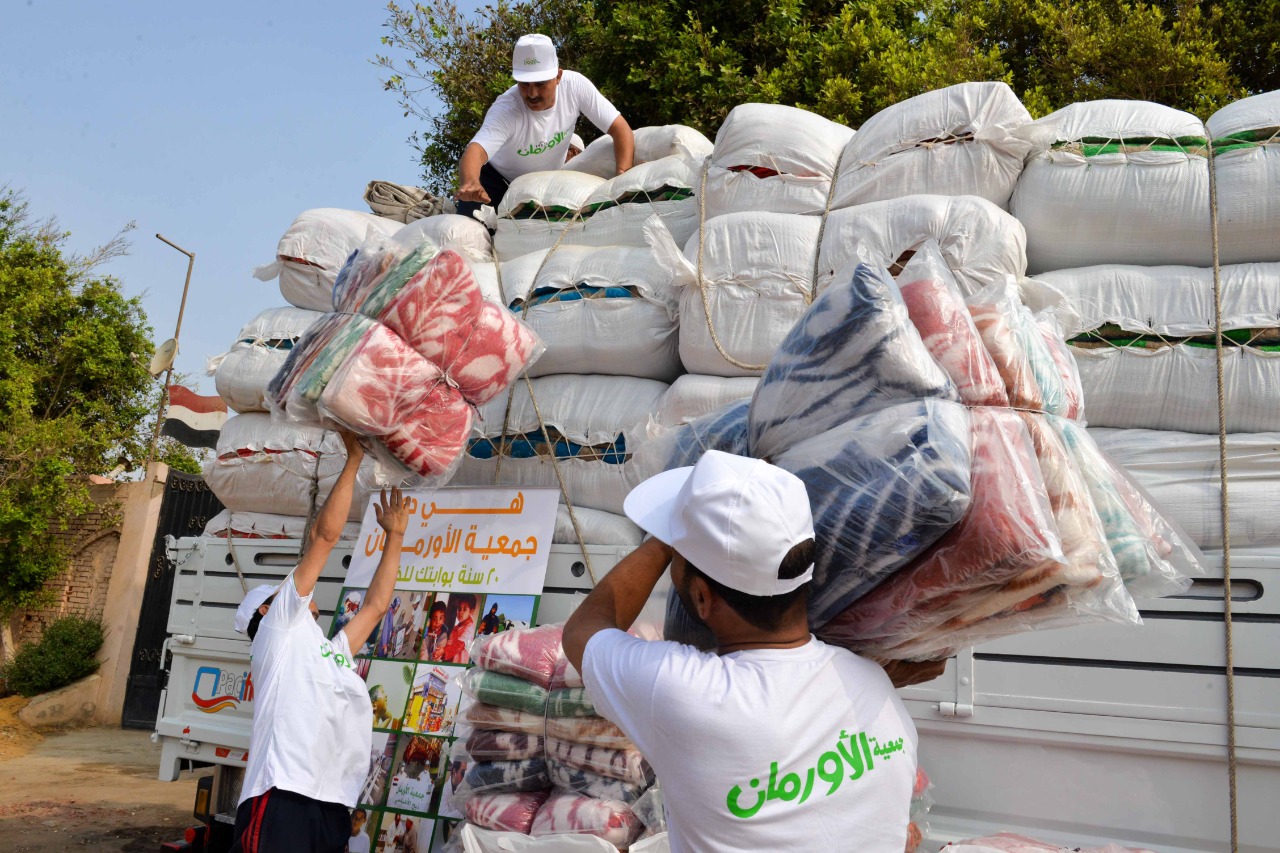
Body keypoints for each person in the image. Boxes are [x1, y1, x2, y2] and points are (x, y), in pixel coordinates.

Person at [563, 450, 924, 853]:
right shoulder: (873, 684)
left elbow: (584, 630)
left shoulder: (683, 693)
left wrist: (670, 537)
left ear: (702, 597)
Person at [229, 433, 410, 853]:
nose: (298, 593)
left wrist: (395, 537)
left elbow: (377, 607)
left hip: (331, 802)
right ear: (264, 613)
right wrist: (352, 461)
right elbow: (323, 541)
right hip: (282, 794)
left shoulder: (329, 651)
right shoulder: (277, 631)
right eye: (283, 594)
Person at [455, 33, 634, 219]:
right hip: (496, 181)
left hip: (544, 185)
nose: (532, 94)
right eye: (524, 85)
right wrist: (471, 182)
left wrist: (623, 175)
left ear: (558, 76)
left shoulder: (575, 87)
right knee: (471, 231)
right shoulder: (507, 109)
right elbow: (475, 150)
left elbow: (620, 129)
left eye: (540, 84)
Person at [440, 594, 478, 664]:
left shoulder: (469, 628)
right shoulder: (457, 627)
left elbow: (460, 644)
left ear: (471, 611)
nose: (460, 612)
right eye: (459, 609)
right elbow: (451, 643)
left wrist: (443, 651)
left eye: (465, 609)